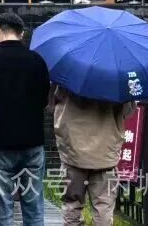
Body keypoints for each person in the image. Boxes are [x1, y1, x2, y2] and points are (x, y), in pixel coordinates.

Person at [0, 12, 50, 226]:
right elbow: (44, 99)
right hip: (32, 142)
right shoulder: (37, 61)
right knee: (34, 206)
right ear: (21, 34)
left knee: (3, 206)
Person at [51, 84, 135, 226]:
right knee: (103, 206)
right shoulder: (118, 81)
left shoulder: (70, 77)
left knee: (72, 204)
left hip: (73, 150)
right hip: (106, 153)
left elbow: (56, 101)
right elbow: (128, 112)